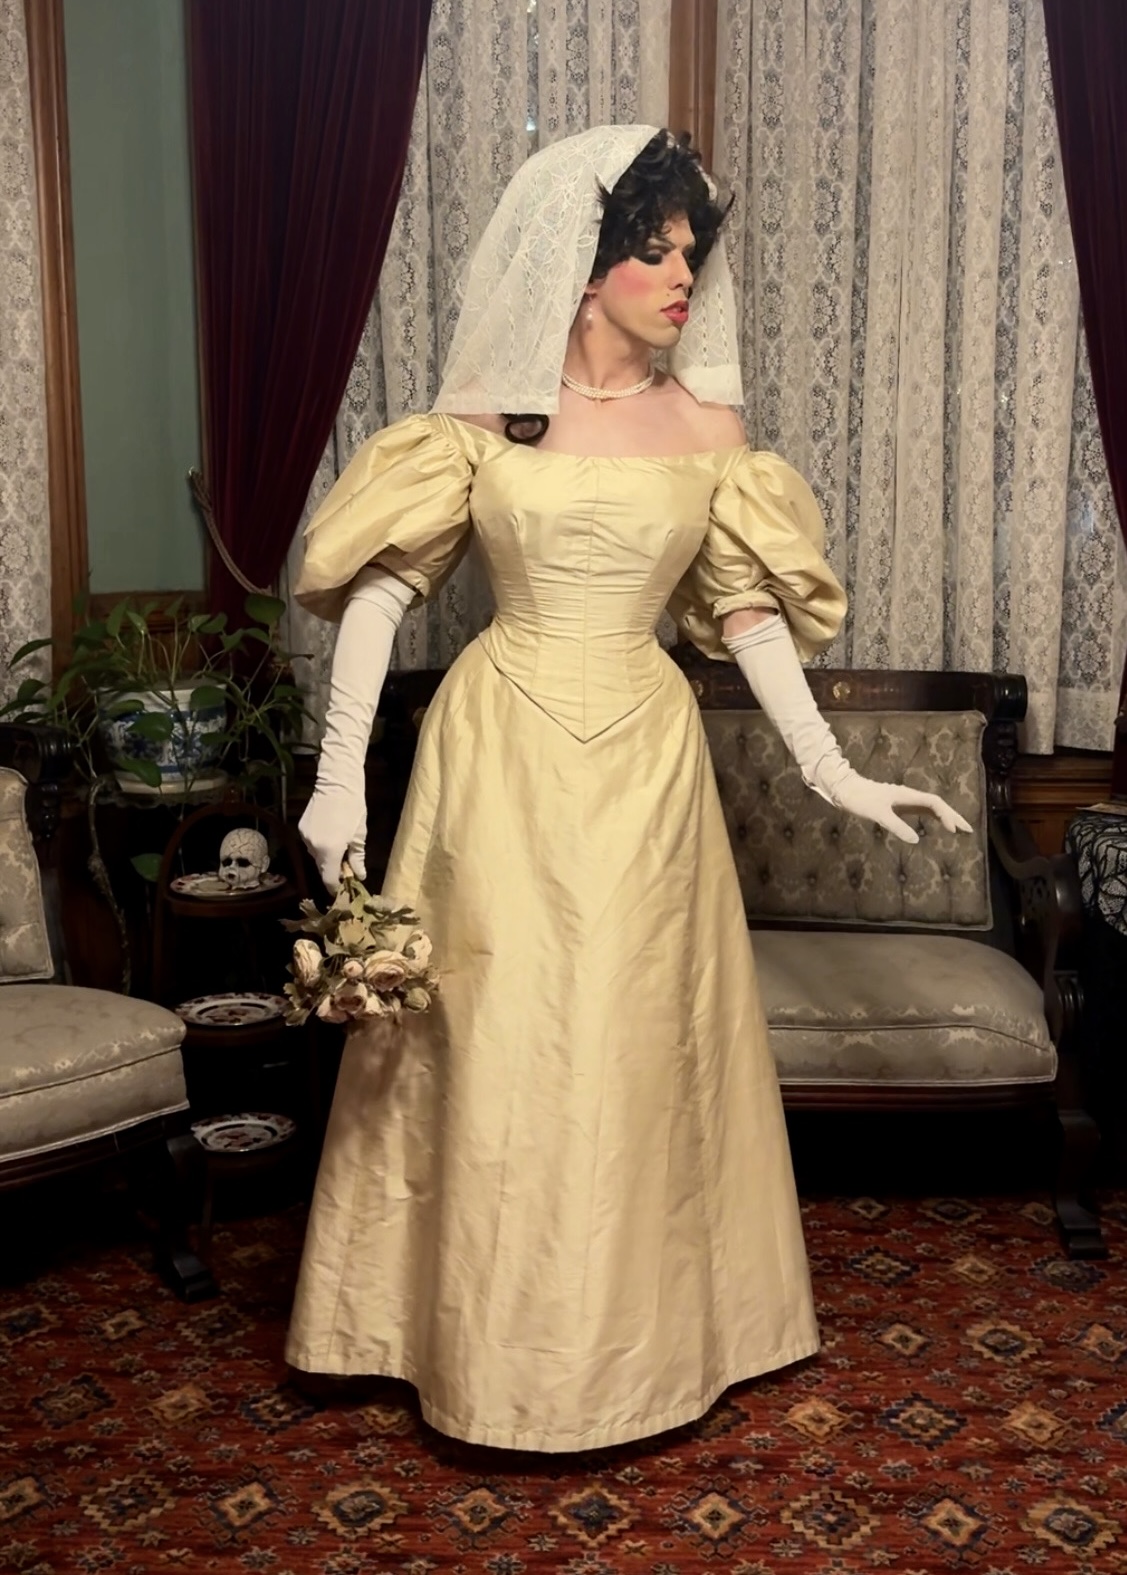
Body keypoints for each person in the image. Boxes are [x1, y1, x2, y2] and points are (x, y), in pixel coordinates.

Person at [286, 125, 969, 1452]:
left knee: (631, 1037)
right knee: (491, 1036)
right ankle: (460, 1339)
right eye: (650, 250)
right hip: (498, 755)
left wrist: (836, 768)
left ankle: (640, 1350)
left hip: (646, 761)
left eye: (688, 253)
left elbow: (750, 614)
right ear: (581, 262)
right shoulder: (489, 414)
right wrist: (336, 783)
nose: (677, 278)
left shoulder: (708, 427)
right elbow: (381, 593)